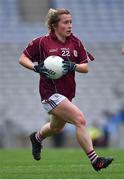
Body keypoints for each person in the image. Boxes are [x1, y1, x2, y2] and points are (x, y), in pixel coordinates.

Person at [19, 8, 113, 171]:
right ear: (55, 25)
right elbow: (23, 58)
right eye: (66, 22)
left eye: (71, 22)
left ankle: (37, 138)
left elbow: (85, 67)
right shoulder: (42, 42)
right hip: (49, 93)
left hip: (67, 94)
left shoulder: (76, 42)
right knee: (80, 119)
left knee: (57, 127)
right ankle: (95, 160)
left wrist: (73, 65)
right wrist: (36, 68)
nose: (70, 25)